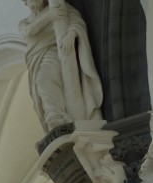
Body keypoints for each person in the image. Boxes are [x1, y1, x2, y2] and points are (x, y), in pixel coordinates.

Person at [19, 0, 103, 132]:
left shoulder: (59, 6)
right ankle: (55, 119)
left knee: (46, 80)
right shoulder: (25, 22)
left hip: (55, 53)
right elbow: (28, 31)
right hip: (37, 59)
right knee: (42, 85)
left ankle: (59, 117)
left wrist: (71, 33)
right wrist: (50, 15)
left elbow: (77, 21)